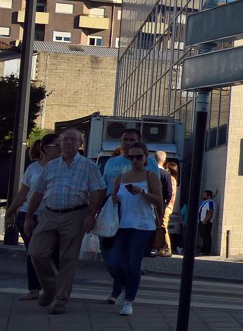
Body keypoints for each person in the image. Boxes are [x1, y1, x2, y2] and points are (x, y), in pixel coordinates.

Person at [23, 128, 108, 314]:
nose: (69, 143)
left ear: (80, 144)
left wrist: (90, 215)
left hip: (75, 213)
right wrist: (29, 215)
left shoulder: (88, 166)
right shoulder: (52, 166)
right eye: (65, 139)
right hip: (49, 213)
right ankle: (51, 286)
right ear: (60, 143)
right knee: (36, 252)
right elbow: (38, 191)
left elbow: (98, 191)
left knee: (67, 258)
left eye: (73, 140)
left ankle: (61, 298)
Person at [104, 141, 164, 316]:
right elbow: (114, 197)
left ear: (145, 157)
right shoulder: (121, 177)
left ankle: (129, 300)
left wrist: (143, 193)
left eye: (139, 157)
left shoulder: (151, 176)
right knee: (113, 261)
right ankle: (125, 286)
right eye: (132, 157)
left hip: (143, 225)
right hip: (122, 224)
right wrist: (114, 199)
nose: (135, 160)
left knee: (134, 262)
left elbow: (159, 200)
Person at [5, 134, 61, 301]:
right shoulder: (33, 168)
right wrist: (11, 210)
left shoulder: (61, 166)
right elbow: (23, 192)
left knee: (52, 252)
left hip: (51, 215)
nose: (60, 148)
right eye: (56, 145)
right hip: (29, 215)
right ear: (45, 148)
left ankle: (53, 288)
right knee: (33, 252)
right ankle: (34, 289)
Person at [197, 189, 216, 255]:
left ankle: (207, 251)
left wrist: (205, 220)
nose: (203, 195)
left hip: (206, 222)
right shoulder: (205, 202)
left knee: (206, 236)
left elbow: (210, 211)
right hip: (201, 222)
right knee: (203, 236)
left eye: (204, 194)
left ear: (208, 196)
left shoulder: (210, 202)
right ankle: (203, 249)